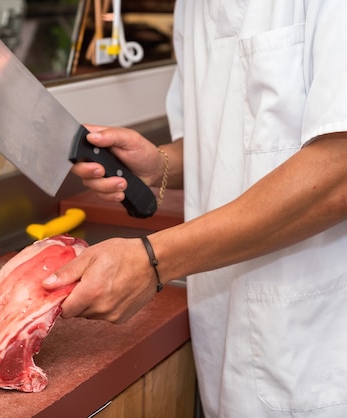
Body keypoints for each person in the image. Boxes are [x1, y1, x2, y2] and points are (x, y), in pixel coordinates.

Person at [42, 1, 347, 417]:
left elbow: (339, 172)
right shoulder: (192, 8)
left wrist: (153, 261)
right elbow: (227, 140)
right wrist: (160, 162)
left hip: (318, 357)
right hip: (224, 343)